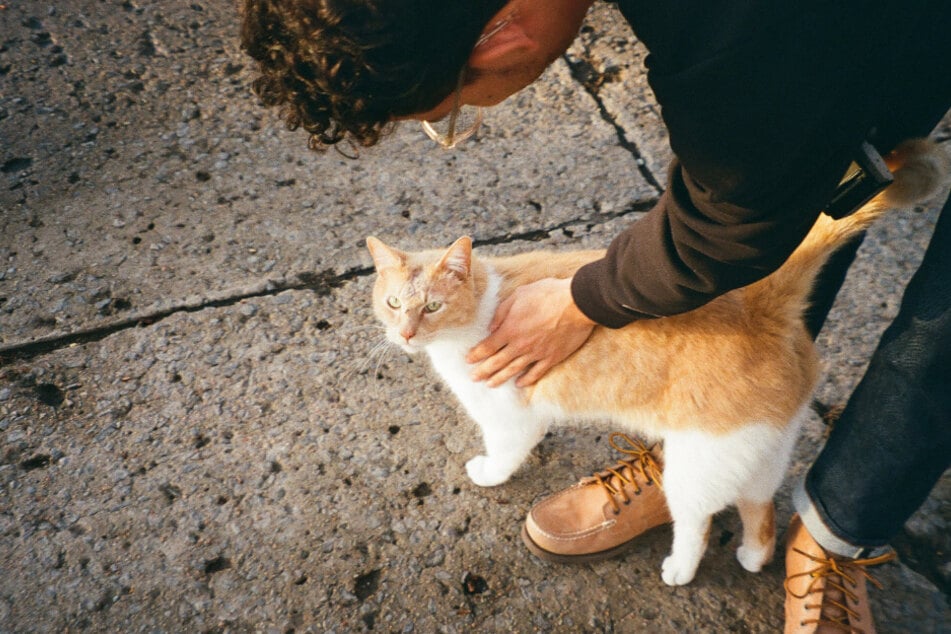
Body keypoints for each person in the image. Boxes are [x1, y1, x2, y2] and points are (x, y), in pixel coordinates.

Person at [240, 0, 951, 630]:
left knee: (937, 331)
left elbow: (731, 216)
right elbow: (767, 172)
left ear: (501, 39)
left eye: (448, 114)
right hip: (882, 33)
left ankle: (838, 532)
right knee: (770, 282)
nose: (465, 121)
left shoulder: (730, 41)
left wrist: (589, 296)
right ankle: (695, 438)